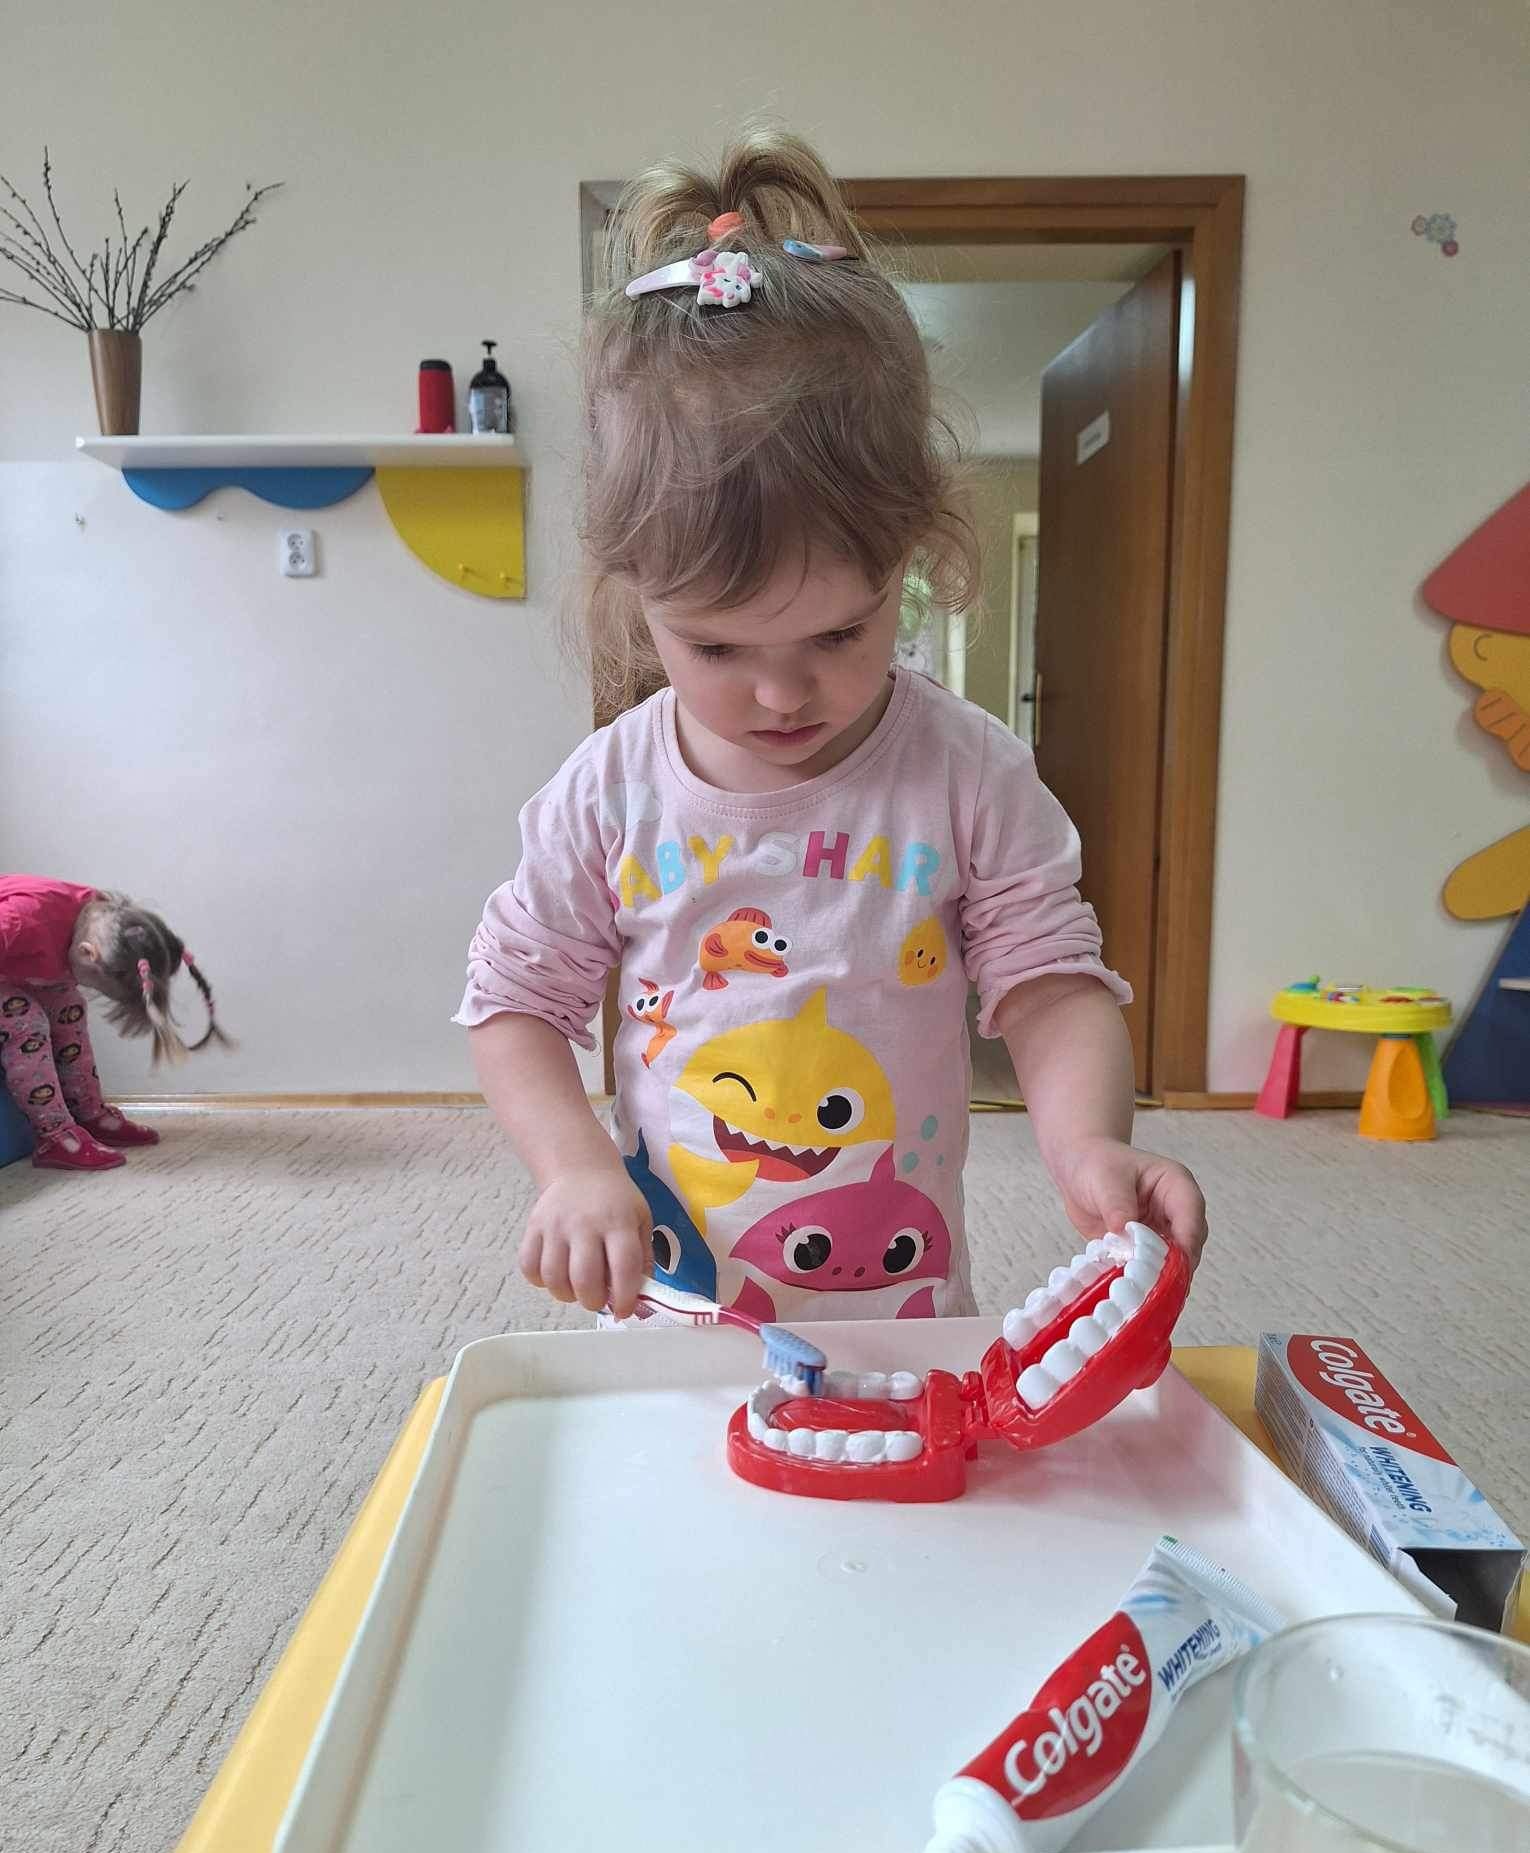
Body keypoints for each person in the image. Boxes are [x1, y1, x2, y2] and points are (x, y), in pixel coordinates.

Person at [457, 130, 1206, 1322]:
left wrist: (1086, 1147)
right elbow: (514, 1002)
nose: (782, 696)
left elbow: (1051, 984)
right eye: (717, 649)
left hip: (900, 1302)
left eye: (840, 635)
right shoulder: (608, 791)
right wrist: (574, 1167)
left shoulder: (968, 771)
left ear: (912, 562)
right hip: (672, 1307)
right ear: (630, 595)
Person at [0, 875, 230, 1171]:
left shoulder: (106, 920)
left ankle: (88, 1113)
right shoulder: (19, 921)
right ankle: (54, 1136)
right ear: (87, 953)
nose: (90, 987)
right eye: (95, 983)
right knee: (25, 1020)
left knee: (69, 1007)